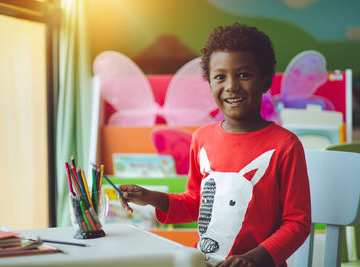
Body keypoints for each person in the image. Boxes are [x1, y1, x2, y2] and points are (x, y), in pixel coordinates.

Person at [118, 23, 311, 267]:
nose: (231, 85)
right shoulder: (202, 139)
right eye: (220, 77)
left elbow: (297, 223)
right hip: (203, 261)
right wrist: (151, 197)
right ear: (209, 84)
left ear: (264, 80)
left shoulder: (286, 145)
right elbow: (196, 203)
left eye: (243, 74)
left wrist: (254, 258)